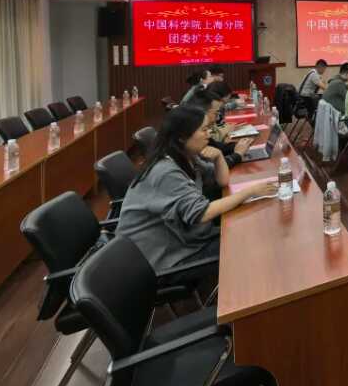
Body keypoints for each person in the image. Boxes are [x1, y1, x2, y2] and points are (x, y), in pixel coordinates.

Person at [116, 106, 276, 271]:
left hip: (186, 238)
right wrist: (249, 192)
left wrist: (219, 157)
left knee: (247, 232)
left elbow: (222, 181)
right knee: (249, 243)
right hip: (165, 257)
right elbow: (201, 213)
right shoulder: (165, 170)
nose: (209, 134)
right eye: (204, 130)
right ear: (182, 137)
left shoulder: (186, 156)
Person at [182, 88, 254, 185]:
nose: (217, 118)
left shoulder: (196, 139)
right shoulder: (193, 142)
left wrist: (240, 145)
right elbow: (214, 174)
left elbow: (217, 148)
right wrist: (237, 155)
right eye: (216, 113)